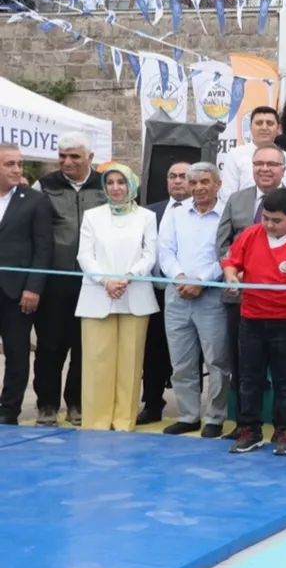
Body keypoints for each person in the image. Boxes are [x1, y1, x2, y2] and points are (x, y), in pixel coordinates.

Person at [222, 189, 286, 456]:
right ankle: (249, 430)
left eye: (276, 220)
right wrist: (231, 276)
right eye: (266, 218)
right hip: (251, 318)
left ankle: (285, 431)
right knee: (249, 378)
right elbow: (230, 261)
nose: (269, 225)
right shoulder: (250, 234)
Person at [73, 164, 158, 432]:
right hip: (97, 295)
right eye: (110, 182)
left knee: (130, 364)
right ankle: (96, 421)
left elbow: (149, 255)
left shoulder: (146, 217)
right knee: (97, 362)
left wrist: (129, 277)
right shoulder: (92, 216)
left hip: (135, 294)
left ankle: (123, 421)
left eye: (121, 182)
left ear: (131, 185)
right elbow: (85, 255)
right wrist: (106, 281)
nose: (116, 188)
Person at [32, 132, 108, 427]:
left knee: (84, 346)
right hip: (55, 280)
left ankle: (76, 403)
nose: (67, 162)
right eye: (62, 156)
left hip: (94, 281)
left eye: (74, 156)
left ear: (90, 157)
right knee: (50, 346)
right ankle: (47, 405)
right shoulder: (44, 185)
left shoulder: (105, 184)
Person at [157, 162, 232, 438]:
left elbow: (227, 254)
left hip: (211, 295)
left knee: (217, 361)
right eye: (193, 183)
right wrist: (180, 278)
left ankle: (215, 417)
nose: (198, 187)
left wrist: (201, 280)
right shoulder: (175, 213)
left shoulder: (227, 214)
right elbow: (165, 251)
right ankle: (188, 416)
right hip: (177, 294)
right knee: (181, 361)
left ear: (218, 184)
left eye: (205, 182)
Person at [0, 143, 52, 426]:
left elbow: (43, 248)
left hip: (17, 291)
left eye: (19, 163)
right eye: (9, 164)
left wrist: (33, 287)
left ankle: (8, 410)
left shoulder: (35, 200)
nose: (17, 169)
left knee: (17, 353)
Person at [138, 161, 189, 425]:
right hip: (153, 291)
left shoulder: (199, 211)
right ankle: (152, 403)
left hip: (186, 290)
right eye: (172, 176)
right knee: (152, 350)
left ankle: (191, 410)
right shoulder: (149, 212)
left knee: (189, 353)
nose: (177, 180)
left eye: (183, 176)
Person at [222, 107, 286, 196]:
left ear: (278, 128)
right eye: (259, 123)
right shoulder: (235, 155)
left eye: (270, 123)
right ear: (250, 127)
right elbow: (228, 195)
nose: (264, 128)